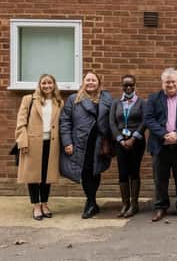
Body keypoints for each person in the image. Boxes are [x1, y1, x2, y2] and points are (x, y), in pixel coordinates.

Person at [144, 68, 177, 222]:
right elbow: (149, 118)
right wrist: (163, 134)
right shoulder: (153, 98)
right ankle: (161, 207)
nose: (170, 84)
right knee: (160, 179)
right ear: (163, 83)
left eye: (173, 81)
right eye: (167, 82)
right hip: (160, 145)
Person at [60, 71, 114, 219]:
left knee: (95, 171)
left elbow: (114, 118)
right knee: (85, 172)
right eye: (88, 80)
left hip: (99, 142)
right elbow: (65, 121)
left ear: (99, 82)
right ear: (83, 82)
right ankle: (91, 203)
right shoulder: (73, 99)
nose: (90, 83)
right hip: (80, 141)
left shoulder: (106, 98)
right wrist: (67, 142)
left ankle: (92, 202)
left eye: (93, 80)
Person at [15, 74, 63, 220]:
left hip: (52, 143)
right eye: (44, 83)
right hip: (32, 143)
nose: (47, 86)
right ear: (39, 84)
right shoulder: (29, 99)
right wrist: (22, 142)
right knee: (33, 176)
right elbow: (21, 122)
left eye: (50, 83)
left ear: (54, 85)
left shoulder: (59, 101)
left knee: (46, 176)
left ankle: (45, 203)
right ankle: (36, 205)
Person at [109, 74, 146, 218]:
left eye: (131, 85)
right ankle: (125, 204)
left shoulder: (142, 103)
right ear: (122, 86)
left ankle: (134, 204)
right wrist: (120, 139)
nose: (128, 87)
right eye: (126, 85)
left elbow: (145, 122)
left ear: (135, 85)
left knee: (134, 171)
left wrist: (133, 138)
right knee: (122, 172)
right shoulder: (116, 103)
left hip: (136, 143)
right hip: (121, 143)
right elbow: (112, 123)